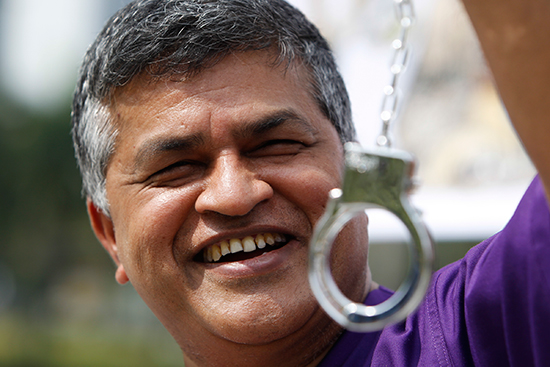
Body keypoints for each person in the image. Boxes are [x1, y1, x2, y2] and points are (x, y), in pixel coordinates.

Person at [70, 0, 550, 366]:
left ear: (355, 167)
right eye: (175, 169)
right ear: (110, 233)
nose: (235, 196)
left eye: (276, 145)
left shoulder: (486, 328)